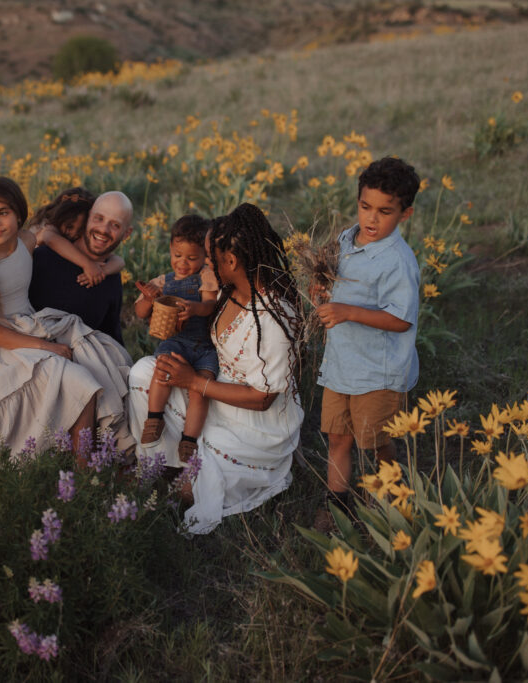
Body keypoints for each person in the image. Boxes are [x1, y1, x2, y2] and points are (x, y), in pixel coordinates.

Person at [128, 203, 304, 535]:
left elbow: (262, 398)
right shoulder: (228, 291)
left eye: (209, 260)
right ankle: (163, 462)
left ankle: (194, 471)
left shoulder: (274, 318)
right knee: (142, 372)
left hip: (255, 425)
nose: (204, 267)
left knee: (190, 493)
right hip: (213, 390)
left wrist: (194, 381)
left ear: (231, 261)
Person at [0, 177, 133, 459]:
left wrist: (98, 266)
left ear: (19, 214)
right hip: (1, 340)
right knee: (80, 381)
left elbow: (49, 235)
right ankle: (79, 470)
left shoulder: (26, 241)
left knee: (87, 379)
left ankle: (85, 469)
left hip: (29, 328)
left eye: (3, 213)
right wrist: (45, 346)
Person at [312, 156, 421, 533]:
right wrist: (323, 287)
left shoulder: (397, 262)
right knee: (338, 436)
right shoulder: (347, 239)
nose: (372, 219)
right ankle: (337, 504)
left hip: (378, 371)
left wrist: (348, 311)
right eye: (365, 207)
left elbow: (401, 319)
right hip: (342, 364)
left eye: (385, 212)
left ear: (404, 214)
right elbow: (338, 280)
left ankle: (393, 492)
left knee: (375, 441)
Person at [0, 189, 134, 379]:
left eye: (115, 225)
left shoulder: (111, 279)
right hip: (18, 361)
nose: (103, 230)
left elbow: (110, 337)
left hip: (66, 369)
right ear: (88, 219)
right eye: (99, 219)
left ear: (126, 233)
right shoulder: (41, 258)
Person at [133, 214, 218, 464]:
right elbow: (140, 313)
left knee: (200, 390)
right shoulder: (162, 282)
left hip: (203, 346)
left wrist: (194, 308)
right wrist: (149, 299)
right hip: (176, 341)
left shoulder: (206, 276)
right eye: (177, 255)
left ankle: (189, 441)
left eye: (192, 258)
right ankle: (154, 419)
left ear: (204, 256)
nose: (183, 263)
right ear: (170, 249)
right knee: (162, 370)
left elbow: (210, 304)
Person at [27, 187, 125, 288]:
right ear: (59, 215)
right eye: (69, 227)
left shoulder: (76, 237)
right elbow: (50, 238)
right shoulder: (49, 227)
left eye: (81, 229)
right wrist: (88, 264)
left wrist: (102, 271)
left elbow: (119, 261)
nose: (74, 234)